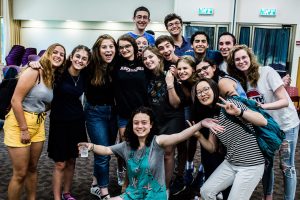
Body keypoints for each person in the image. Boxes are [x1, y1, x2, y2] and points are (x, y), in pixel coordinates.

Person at [78, 106, 224, 200]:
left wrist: (200, 124)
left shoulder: (158, 142)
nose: (140, 126)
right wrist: (91, 146)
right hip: (133, 194)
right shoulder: (126, 146)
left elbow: (180, 136)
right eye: (136, 123)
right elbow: (106, 150)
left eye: (144, 122)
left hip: (154, 195)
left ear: (151, 125)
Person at [227, 45, 300, 200]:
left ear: (250, 58)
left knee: (287, 167)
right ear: (233, 63)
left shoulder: (266, 72)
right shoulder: (241, 82)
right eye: (237, 59)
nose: (241, 61)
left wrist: (261, 106)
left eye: (244, 57)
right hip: (266, 127)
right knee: (267, 165)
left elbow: (284, 101)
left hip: (286, 124)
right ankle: (268, 196)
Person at [3, 43, 66, 199]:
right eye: (55, 52)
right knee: (20, 173)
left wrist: (40, 111)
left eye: (62, 54)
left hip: (38, 123)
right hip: (20, 122)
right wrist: (24, 128)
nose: (58, 56)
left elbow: (46, 103)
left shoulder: (51, 75)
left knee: (32, 168)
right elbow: (15, 101)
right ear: (48, 54)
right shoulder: (34, 71)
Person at [192, 78, 267, 199]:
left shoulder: (230, 103)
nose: (203, 94)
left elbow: (262, 121)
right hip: (231, 163)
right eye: (199, 92)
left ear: (214, 89)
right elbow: (212, 148)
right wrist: (199, 135)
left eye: (206, 89)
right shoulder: (212, 116)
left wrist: (239, 112)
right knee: (206, 191)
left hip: (251, 165)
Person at [46, 45, 90, 200]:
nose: (80, 60)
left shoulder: (85, 75)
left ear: (87, 62)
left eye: (84, 58)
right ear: (71, 57)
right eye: (77, 56)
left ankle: (67, 193)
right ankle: (57, 198)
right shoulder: (59, 72)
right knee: (60, 163)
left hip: (77, 122)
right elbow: (45, 64)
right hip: (59, 123)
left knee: (72, 160)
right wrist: (34, 63)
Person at [142, 46, 186, 197]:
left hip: (172, 117)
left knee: (168, 153)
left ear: (159, 58)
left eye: (151, 57)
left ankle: (165, 189)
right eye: (145, 58)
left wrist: (170, 83)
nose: (148, 61)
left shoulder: (170, 74)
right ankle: (153, 183)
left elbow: (175, 103)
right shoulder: (146, 76)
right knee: (153, 153)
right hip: (155, 119)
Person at [84, 34, 118, 199]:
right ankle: (104, 192)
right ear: (97, 50)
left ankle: (95, 183)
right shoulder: (89, 66)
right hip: (95, 113)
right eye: (104, 47)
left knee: (106, 150)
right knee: (103, 154)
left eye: (111, 46)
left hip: (113, 113)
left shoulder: (116, 65)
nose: (109, 50)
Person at [113, 34, 148, 187]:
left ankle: (139, 179)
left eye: (127, 46)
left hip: (142, 113)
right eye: (121, 47)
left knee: (141, 147)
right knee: (126, 146)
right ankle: (122, 172)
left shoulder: (143, 62)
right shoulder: (116, 63)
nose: (124, 49)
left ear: (134, 47)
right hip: (124, 114)